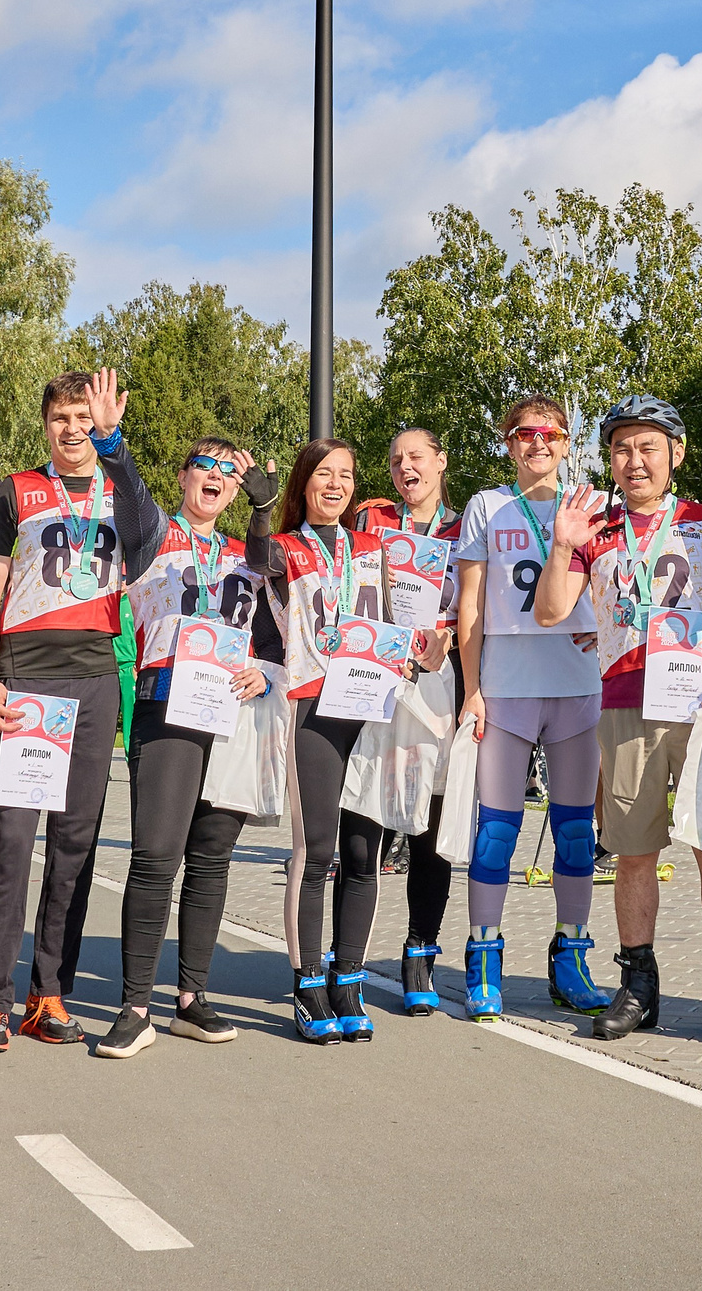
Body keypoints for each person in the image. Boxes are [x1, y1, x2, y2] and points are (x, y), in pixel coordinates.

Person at [534, 394, 702, 1041]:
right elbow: (551, 611)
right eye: (622, 447)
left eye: (648, 446)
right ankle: (638, 985)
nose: (634, 459)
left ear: (675, 453)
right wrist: (561, 543)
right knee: (633, 853)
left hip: (700, 703)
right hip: (626, 700)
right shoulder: (595, 530)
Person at [0, 369, 164, 1052]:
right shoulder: (13, 489)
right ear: (45, 423)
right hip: (27, 676)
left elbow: (146, 537)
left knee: (75, 842)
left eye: (84, 416)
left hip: (94, 676)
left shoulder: (122, 489)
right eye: (62, 418)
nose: (72, 429)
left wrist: (116, 443)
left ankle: (49, 990)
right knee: (15, 841)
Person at [97, 438, 278, 1059]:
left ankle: (191, 999)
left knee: (211, 857)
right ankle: (135, 1005)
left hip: (229, 709)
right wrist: (110, 444)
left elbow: (266, 583)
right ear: (183, 477)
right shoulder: (153, 533)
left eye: (232, 471)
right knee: (155, 856)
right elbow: (131, 497)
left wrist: (261, 672)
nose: (219, 476)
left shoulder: (244, 550)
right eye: (206, 465)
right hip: (166, 703)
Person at [454, 396, 610, 1023]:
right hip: (509, 682)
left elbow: (619, 583)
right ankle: (484, 957)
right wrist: (471, 687)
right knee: (496, 830)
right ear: (508, 442)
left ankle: (571, 955)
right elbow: (469, 604)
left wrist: (610, 628)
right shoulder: (486, 506)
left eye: (550, 433)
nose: (537, 443)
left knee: (576, 831)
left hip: (577, 683)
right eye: (524, 434)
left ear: (568, 442)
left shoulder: (593, 505)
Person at [271, 439, 433, 1042]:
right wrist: (262, 511)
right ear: (303, 483)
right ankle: (307, 982)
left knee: (365, 855)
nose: (334, 485)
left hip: (370, 703)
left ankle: (348, 978)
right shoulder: (284, 548)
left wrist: (418, 655)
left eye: (345, 475)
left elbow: (395, 620)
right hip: (312, 703)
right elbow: (259, 557)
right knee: (316, 849)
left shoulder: (375, 548)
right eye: (322, 474)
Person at [350, 427, 463, 1015]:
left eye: (415, 457)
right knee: (364, 817)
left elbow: (476, 607)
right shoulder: (371, 522)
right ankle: (346, 962)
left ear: (440, 463)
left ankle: (420, 950)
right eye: (395, 460)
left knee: (429, 831)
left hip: (438, 688)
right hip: (372, 685)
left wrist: (446, 636)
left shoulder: (466, 527)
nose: (404, 468)